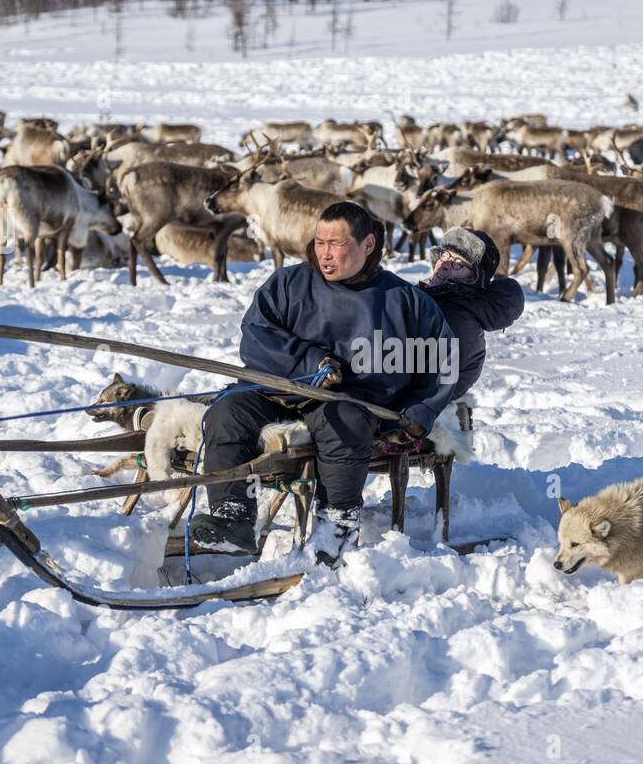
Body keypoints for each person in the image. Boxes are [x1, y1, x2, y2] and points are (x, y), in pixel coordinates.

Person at [190, 201, 456, 567]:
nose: (325, 254)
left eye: (336, 243)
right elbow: (256, 337)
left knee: (343, 421)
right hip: (280, 388)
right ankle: (231, 513)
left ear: (367, 245)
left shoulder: (405, 301)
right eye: (319, 242)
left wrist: (417, 412)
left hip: (353, 401)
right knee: (227, 412)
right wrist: (310, 362)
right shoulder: (287, 284)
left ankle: (337, 519)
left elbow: (440, 361)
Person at [416, 227, 524, 400]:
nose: (444, 265)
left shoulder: (456, 322)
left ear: (473, 279)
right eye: (445, 255)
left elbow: (412, 378)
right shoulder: (432, 301)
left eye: (458, 263)